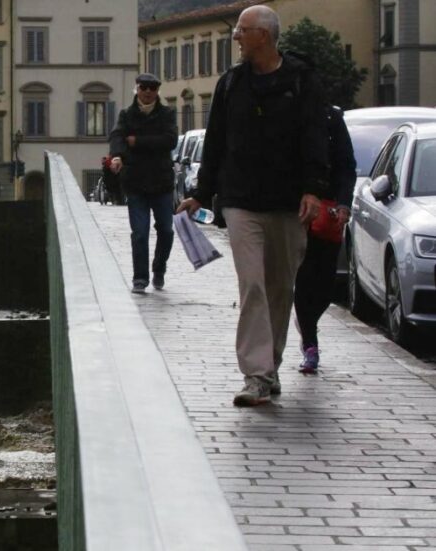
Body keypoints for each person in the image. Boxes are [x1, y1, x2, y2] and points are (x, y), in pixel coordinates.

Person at [176, 5, 329, 407]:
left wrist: (314, 190)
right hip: (241, 202)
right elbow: (216, 143)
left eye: (242, 31)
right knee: (253, 286)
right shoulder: (231, 85)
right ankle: (256, 375)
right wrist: (202, 192)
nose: (237, 38)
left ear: (264, 35)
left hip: (289, 203)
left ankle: (271, 367)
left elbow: (317, 138)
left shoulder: (302, 81)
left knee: (281, 288)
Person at [294, 106, 355, 373]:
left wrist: (343, 203)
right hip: (292, 210)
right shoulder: (286, 113)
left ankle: (308, 322)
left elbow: (346, 165)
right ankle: (310, 343)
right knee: (304, 279)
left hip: (328, 211)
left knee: (326, 286)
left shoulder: (331, 118)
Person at [108, 73, 178, 294]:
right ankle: (140, 278)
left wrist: (137, 141)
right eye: (144, 88)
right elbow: (118, 136)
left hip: (162, 182)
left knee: (166, 230)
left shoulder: (167, 114)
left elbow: (170, 140)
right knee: (139, 232)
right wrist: (118, 155)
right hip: (136, 182)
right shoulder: (127, 115)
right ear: (137, 89)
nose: (148, 92)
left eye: (153, 88)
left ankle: (159, 268)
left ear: (157, 91)